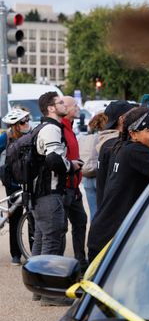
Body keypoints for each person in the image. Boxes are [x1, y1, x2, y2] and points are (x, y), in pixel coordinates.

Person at [86, 107, 149, 263]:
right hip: (112, 241)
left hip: (105, 235)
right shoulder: (137, 151)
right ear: (133, 134)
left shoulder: (124, 147)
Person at [33, 92, 83, 306]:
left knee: (41, 241)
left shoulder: (40, 127)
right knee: (51, 243)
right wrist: (72, 166)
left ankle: (37, 289)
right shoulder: (52, 128)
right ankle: (49, 295)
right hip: (50, 194)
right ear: (51, 108)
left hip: (38, 195)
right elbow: (54, 160)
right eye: (61, 102)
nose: (65, 104)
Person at [0, 108, 31, 265]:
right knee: (15, 218)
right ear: (14, 125)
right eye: (23, 121)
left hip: (31, 182)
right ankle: (16, 255)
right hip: (13, 184)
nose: (27, 123)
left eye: (27, 120)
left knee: (32, 217)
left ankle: (34, 253)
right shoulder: (5, 137)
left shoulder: (32, 134)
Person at [60, 96, 88, 270]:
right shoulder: (60, 129)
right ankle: (59, 270)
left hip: (74, 187)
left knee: (81, 221)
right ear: (66, 108)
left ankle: (81, 263)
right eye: (75, 105)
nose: (78, 108)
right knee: (60, 229)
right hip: (64, 188)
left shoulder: (69, 128)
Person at [96, 100, 134, 210]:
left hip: (104, 206)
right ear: (122, 118)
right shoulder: (115, 144)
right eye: (132, 114)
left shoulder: (106, 141)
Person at [78, 112, 107, 221]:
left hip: (87, 177)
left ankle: (93, 236)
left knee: (93, 213)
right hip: (100, 176)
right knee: (104, 213)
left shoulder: (87, 137)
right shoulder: (104, 138)